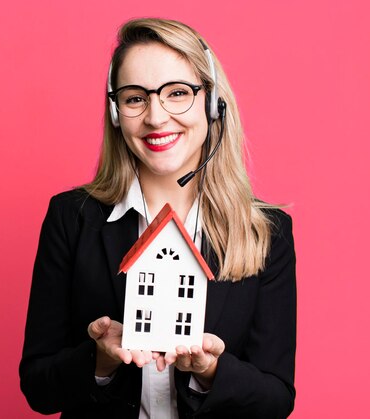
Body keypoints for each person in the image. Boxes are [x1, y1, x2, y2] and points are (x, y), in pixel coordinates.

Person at [20, 18, 296, 419]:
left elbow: (276, 399)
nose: (156, 117)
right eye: (135, 98)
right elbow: (38, 387)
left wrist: (211, 371)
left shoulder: (266, 231)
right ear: (117, 113)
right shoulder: (71, 218)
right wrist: (100, 360)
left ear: (213, 101)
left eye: (178, 93)